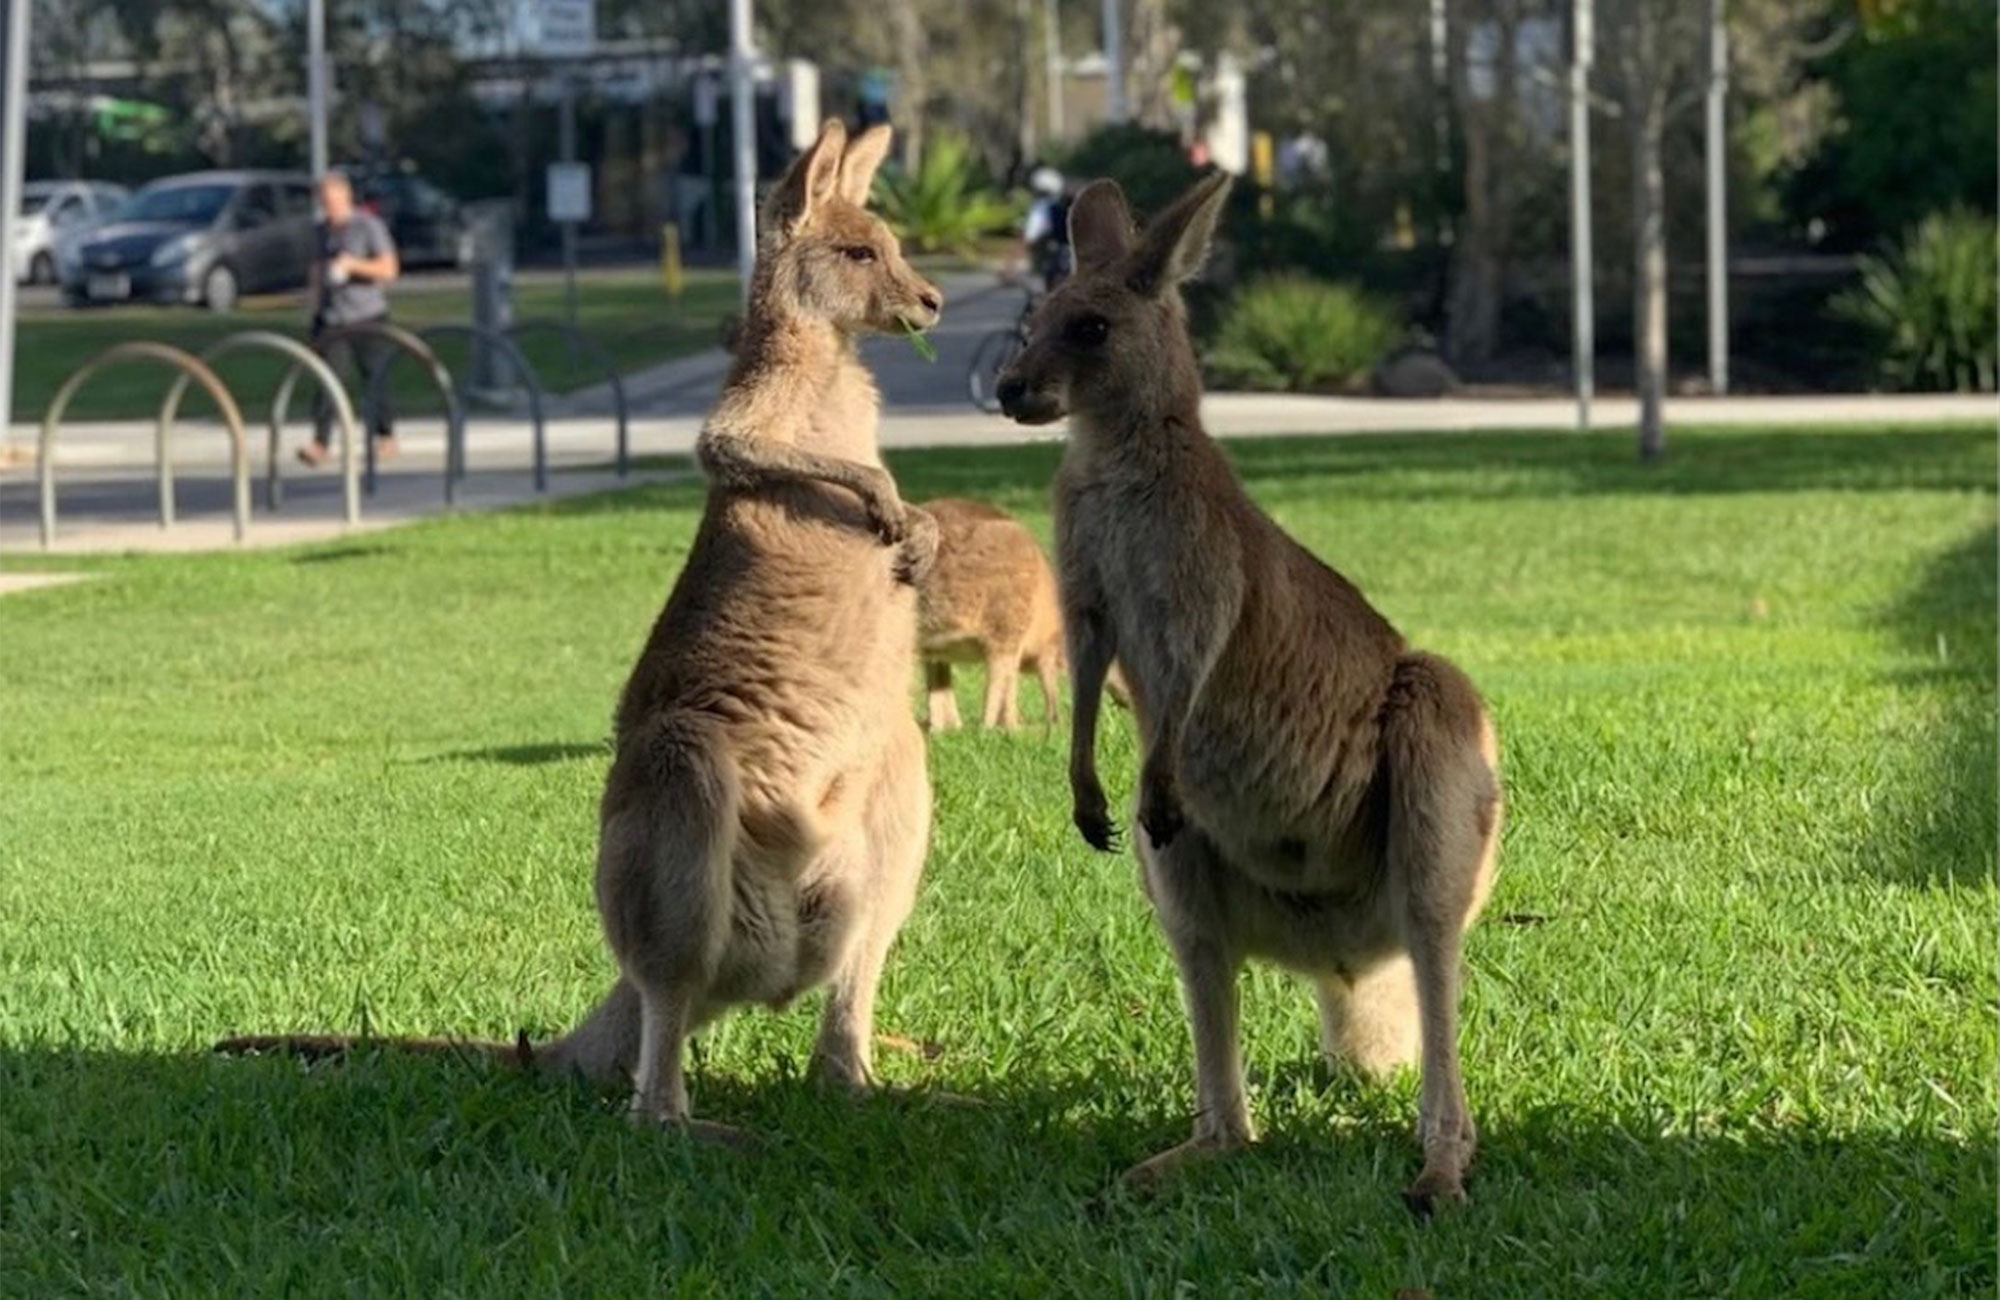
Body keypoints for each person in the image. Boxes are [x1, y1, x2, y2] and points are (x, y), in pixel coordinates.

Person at [301, 171, 401, 466]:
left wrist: (354, 265)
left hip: (367, 313)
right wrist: (313, 307)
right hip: (333, 317)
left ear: (346, 197)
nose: (329, 208)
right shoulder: (321, 232)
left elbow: (389, 269)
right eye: (324, 202)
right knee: (328, 378)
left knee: (376, 376)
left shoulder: (368, 226)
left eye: (333, 201)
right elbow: (317, 271)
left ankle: (385, 435)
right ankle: (320, 442)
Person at [1012, 166, 1072, 294]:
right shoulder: (1063, 208)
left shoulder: (1041, 209)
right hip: (1068, 259)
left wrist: (1010, 266)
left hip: (1052, 262)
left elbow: (1029, 238)